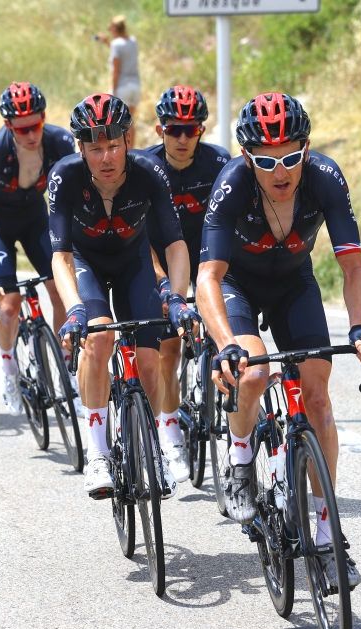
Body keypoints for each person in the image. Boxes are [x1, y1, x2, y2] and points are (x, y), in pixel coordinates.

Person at [196, 92, 361, 588]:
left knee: (318, 398)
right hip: (238, 284)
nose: (280, 172)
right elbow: (208, 279)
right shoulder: (232, 184)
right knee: (254, 371)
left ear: (307, 148)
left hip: (294, 284)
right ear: (245, 158)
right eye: (265, 161)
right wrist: (224, 343)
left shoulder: (324, 178)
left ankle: (325, 533)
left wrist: (359, 326)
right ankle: (239, 458)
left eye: (291, 157)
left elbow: (353, 265)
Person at [50, 93, 198, 496]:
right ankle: (97, 454)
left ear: (128, 141)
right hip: (87, 263)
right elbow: (60, 256)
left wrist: (179, 299)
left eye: (113, 145)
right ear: (80, 148)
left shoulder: (150, 173)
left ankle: (149, 443)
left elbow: (175, 246)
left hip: (133, 263)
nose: (106, 157)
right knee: (98, 339)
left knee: (150, 363)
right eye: (95, 148)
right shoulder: (65, 176)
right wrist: (75, 309)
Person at [0, 81, 73, 416]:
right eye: (22, 128)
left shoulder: (59, 141)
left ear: (44, 117)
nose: (31, 134)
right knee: (10, 305)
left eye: (37, 125)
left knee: (60, 289)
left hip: (34, 217)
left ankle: (65, 363)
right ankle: (8, 370)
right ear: (8, 126)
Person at [144, 86, 230, 465]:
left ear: (202, 130)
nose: (181, 138)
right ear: (159, 129)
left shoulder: (218, 163)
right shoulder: (145, 167)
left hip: (208, 252)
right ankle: (169, 425)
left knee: (227, 326)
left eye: (190, 130)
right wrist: (164, 284)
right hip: (160, 253)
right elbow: (138, 236)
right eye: (173, 129)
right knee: (170, 345)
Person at [96, 16, 141, 141]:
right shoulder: (132, 41)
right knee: (130, 120)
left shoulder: (116, 44)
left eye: (111, 28)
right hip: (135, 86)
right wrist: (107, 43)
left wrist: (113, 90)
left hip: (122, 86)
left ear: (115, 28)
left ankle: (124, 150)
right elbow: (123, 51)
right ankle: (132, 150)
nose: (110, 31)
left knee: (118, 122)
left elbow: (116, 69)